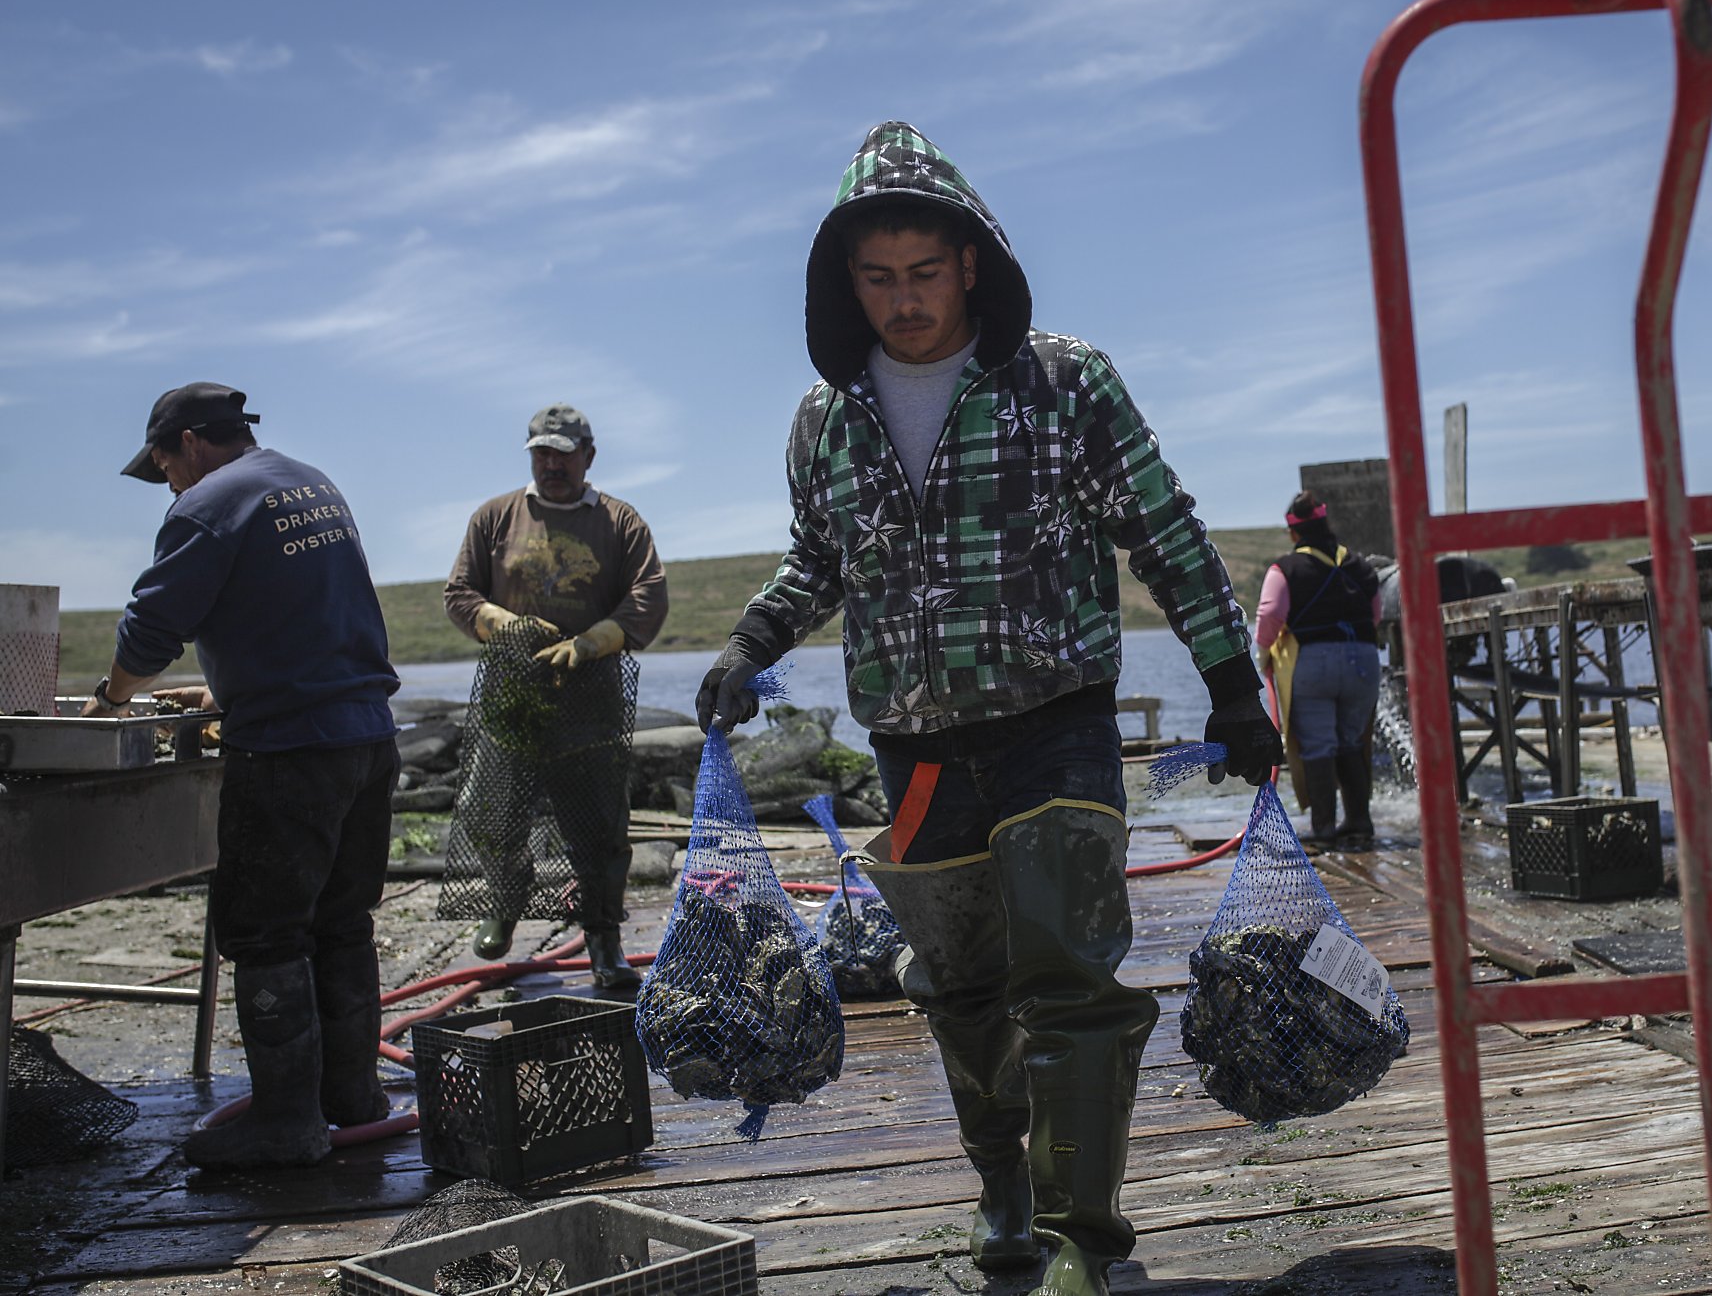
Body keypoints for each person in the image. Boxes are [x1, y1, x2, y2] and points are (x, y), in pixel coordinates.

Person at [695, 121, 1281, 1296]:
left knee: (1068, 976)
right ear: (845, 281)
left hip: (1054, 725)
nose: (904, 301)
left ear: (970, 263)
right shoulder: (825, 418)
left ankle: (1080, 1237)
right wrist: (751, 639)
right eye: (878, 278)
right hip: (912, 750)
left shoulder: (1063, 381)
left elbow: (1163, 530)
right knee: (957, 985)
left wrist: (1230, 679)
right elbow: (818, 558)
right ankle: (1002, 1186)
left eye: (924, 272)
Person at [83, 381, 401, 1170]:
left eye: (164, 468)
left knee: (265, 932)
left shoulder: (208, 504)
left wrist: (109, 701)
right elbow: (301, 616)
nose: (169, 486)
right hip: (366, 737)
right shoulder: (309, 483)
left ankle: (287, 1125)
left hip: (290, 751)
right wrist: (226, 688)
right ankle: (352, 1099)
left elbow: (151, 629)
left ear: (189, 443)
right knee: (342, 921)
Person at [442, 403, 668, 990]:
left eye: (563, 455)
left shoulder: (619, 522)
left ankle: (603, 939)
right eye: (542, 454)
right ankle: (504, 902)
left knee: (600, 827)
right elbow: (460, 594)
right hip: (512, 694)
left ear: (588, 456)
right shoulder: (495, 517)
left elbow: (648, 597)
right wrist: (504, 624)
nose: (552, 465)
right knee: (492, 811)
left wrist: (594, 641)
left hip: (591, 698)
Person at [1254, 492, 1381, 848]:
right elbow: (1375, 615)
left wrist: (1263, 653)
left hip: (1312, 664)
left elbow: (1270, 614)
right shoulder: (1361, 566)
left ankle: (1323, 828)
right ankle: (1359, 822)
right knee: (1352, 741)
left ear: (1294, 533)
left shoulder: (1285, 569)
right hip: (1364, 660)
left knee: (1318, 743)